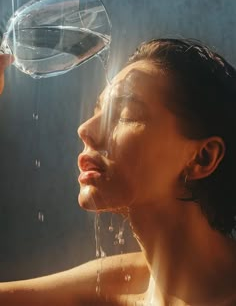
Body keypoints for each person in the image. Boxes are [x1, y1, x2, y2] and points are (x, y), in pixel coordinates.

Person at [0, 38, 236, 305]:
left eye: (125, 113)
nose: (85, 130)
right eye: (98, 110)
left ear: (202, 159)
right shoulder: (111, 286)